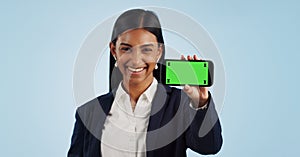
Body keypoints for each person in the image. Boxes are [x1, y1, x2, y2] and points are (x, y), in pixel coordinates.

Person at [68, 9, 222, 157]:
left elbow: (210, 146)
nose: (135, 60)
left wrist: (200, 101)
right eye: (126, 49)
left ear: (159, 52)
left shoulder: (180, 104)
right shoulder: (87, 113)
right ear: (114, 50)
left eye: (146, 50)